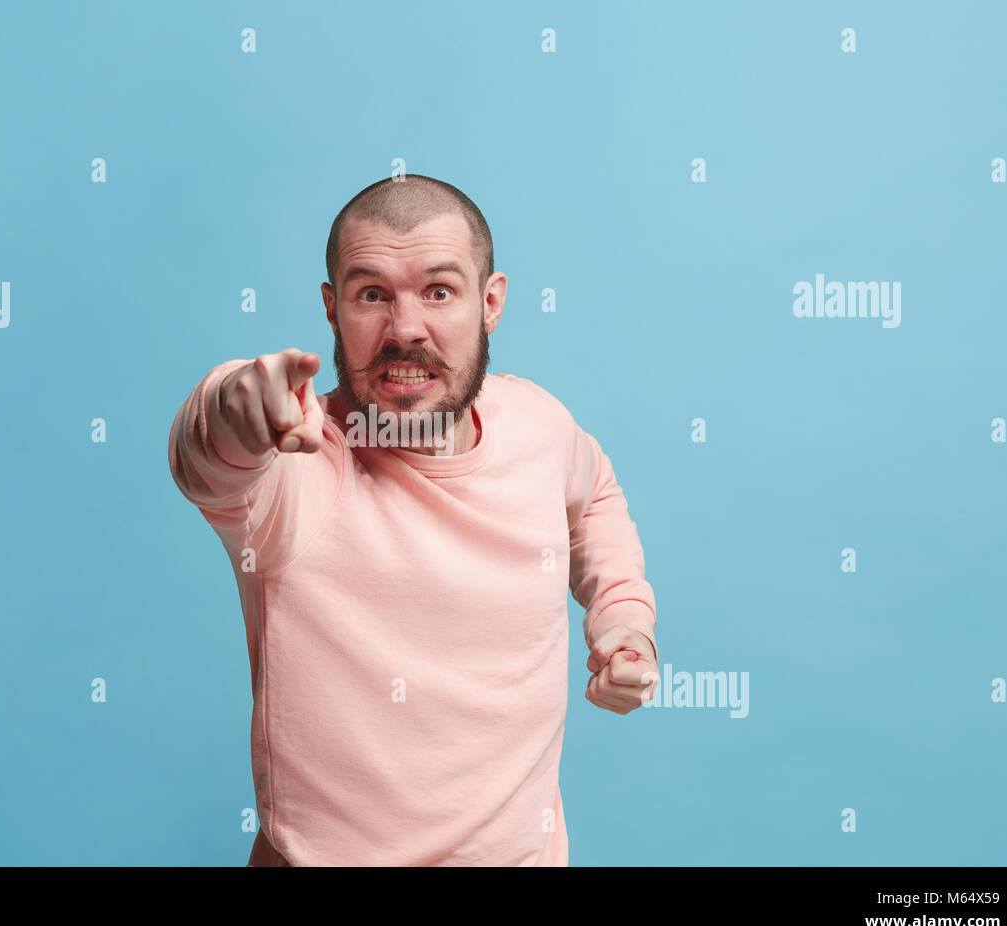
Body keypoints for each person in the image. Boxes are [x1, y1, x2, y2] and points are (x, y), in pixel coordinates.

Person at [168, 174, 659, 866]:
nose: (405, 330)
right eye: (373, 294)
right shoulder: (301, 465)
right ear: (332, 310)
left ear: (490, 303)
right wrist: (234, 403)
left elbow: (596, 497)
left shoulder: (539, 425)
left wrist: (624, 619)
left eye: (438, 291)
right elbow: (208, 458)